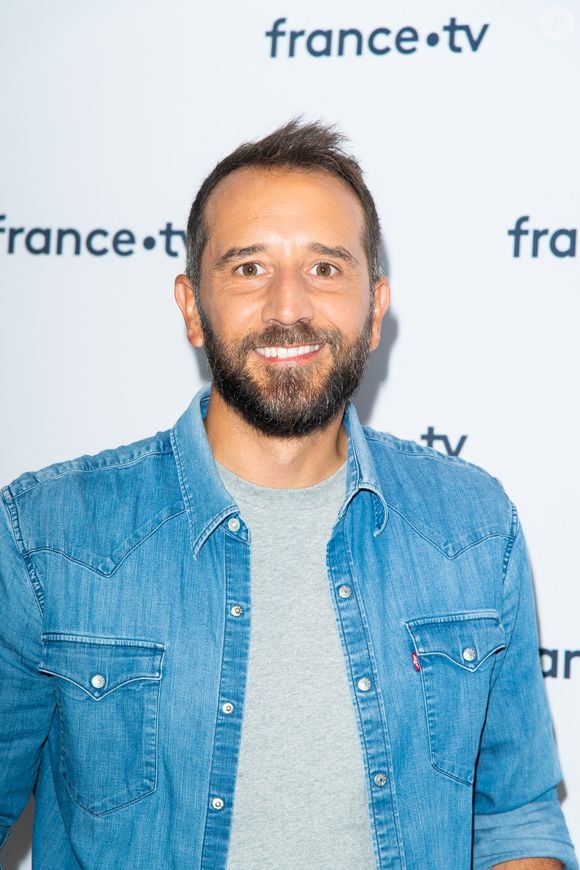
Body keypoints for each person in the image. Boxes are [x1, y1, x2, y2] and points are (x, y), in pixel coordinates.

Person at [0, 120, 576, 870]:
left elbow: (515, 819)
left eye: (326, 268)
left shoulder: (472, 526)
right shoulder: (47, 537)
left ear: (375, 309)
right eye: (248, 268)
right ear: (189, 305)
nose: (287, 307)